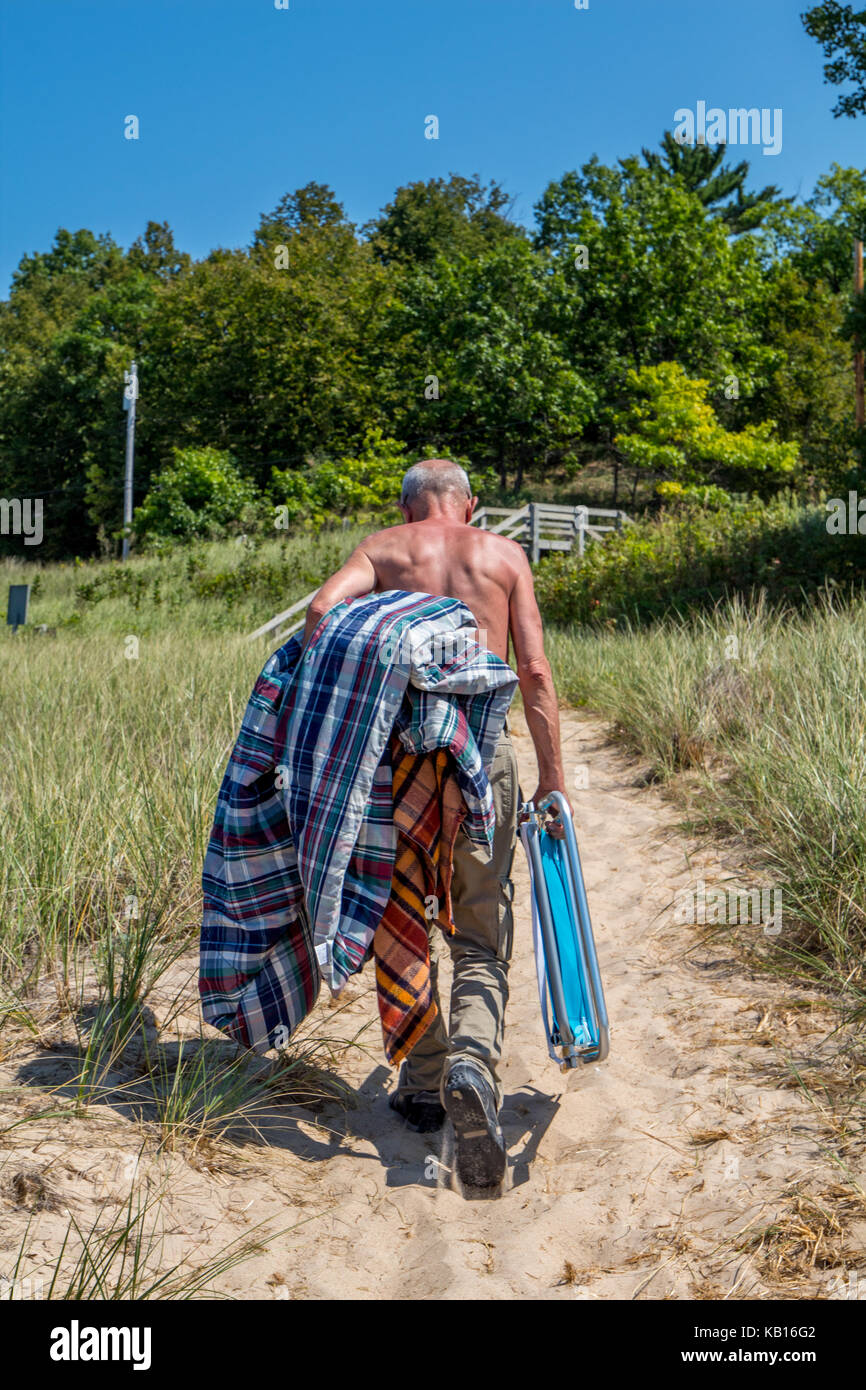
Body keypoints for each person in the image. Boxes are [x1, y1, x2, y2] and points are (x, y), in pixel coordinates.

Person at [302, 459, 569, 1188]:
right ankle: (472, 1063)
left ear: (406, 504)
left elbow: (324, 612)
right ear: (471, 503)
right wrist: (552, 778)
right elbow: (537, 673)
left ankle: (422, 1086)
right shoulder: (502, 553)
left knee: (401, 919)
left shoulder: (384, 549)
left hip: (397, 759)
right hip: (481, 754)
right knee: (481, 928)